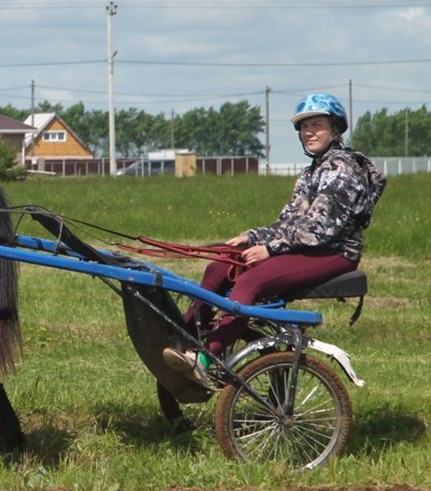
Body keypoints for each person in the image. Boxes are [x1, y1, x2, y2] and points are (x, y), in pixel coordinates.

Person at [162, 93, 386, 386]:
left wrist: (270, 248)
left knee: (251, 282)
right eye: (304, 127)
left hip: (334, 252)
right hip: (307, 246)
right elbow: (288, 224)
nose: (309, 132)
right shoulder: (311, 172)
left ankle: (206, 359)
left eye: (316, 125)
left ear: (335, 129)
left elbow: (321, 229)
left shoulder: (342, 168)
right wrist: (251, 237)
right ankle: (182, 340)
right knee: (220, 265)